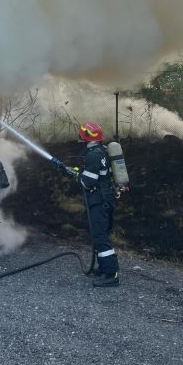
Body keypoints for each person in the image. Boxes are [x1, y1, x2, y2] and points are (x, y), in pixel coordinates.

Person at [74, 122, 120, 287]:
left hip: (99, 201)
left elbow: (88, 182)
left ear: (87, 137)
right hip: (105, 199)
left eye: (82, 135)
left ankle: (111, 274)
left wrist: (77, 176)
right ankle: (103, 268)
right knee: (100, 235)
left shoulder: (93, 155)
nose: (79, 138)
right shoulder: (103, 150)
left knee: (100, 236)